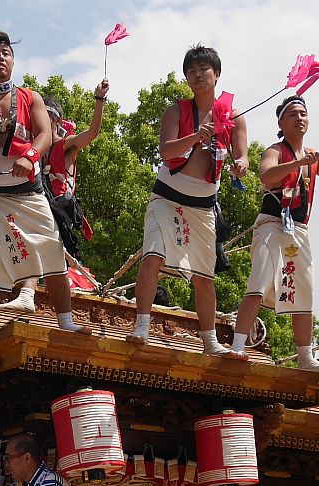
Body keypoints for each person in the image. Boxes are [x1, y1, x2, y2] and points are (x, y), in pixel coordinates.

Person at [0, 31, 90, 342]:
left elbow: (45, 134)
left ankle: (66, 320)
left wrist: (30, 156)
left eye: (6, 53)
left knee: (52, 254)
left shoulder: (29, 97)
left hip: (28, 191)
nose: (1, 58)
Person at [127, 44, 249, 357]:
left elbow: (242, 157)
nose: (197, 75)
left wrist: (240, 165)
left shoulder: (233, 116)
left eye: (203, 69)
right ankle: (141, 324)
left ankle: (210, 341)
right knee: (152, 256)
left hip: (204, 205)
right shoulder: (177, 111)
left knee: (204, 276)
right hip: (167, 197)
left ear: (216, 74)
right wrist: (196, 136)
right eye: (191, 71)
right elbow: (166, 151)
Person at [230, 95, 319, 369]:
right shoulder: (276, 151)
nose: (299, 118)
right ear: (281, 123)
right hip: (272, 224)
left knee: (303, 290)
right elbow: (266, 176)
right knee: (259, 282)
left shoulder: (313, 156)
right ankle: (238, 345)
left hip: (298, 229)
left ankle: (305, 357)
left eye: (303, 114)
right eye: (293, 114)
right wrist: (297, 164)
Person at [0, 79, 110, 312]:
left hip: (59, 208)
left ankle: (28, 293)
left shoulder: (65, 146)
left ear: (55, 121)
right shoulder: (33, 150)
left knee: (36, 235)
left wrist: (99, 99)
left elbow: (92, 133)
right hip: (38, 203)